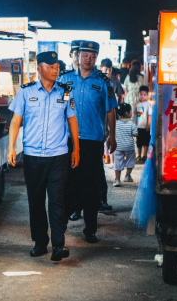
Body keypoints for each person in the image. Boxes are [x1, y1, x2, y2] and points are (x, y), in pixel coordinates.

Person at [8, 51, 80, 261]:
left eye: (57, 66)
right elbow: (15, 121)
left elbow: (72, 119)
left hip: (58, 155)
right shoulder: (25, 92)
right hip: (33, 157)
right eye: (51, 66)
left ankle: (58, 245)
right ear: (39, 69)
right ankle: (40, 242)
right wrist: (11, 147)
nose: (56, 70)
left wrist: (76, 148)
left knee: (57, 200)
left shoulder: (65, 91)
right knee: (36, 201)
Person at [59, 41, 118, 243]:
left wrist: (112, 135)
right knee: (67, 183)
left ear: (96, 58)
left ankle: (90, 229)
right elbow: (60, 107)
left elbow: (110, 109)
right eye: (85, 55)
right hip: (68, 140)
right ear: (79, 55)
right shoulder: (66, 80)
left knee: (91, 186)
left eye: (93, 56)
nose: (88, 59)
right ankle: (62, 224)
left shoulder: (103, 82)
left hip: (92, 141)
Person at [100, 58, 124, 166]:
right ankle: (105, 154)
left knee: (110, 132)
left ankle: (108, 154)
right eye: (105, 70)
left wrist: (118, 107)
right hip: (100, 112)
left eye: (109, 70)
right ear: (100, 69)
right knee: (102, 131)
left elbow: (121, 94)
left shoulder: (114, 80)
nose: (107, 72)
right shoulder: (97, 79)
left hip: (111, 110)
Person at [113, 102, 137, 187]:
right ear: (127, 113)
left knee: (117, 162)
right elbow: (135, 134)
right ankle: (127, 176)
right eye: (130, 111)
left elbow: (112, 132)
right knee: (131, 160)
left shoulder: (115, 123)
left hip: (118, 146)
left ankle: (117, 180)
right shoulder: (131, 124)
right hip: (129, 147)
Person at [135, 85, 152, 162]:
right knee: (139, 142)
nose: (142, 96)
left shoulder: (148, 104)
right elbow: (135, 116)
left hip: (145, 126)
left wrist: (148, 125)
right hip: (138, 126)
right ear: (139, 94)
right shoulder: (137, 104)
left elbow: (149, 115)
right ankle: (138, 155)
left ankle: (144, 155)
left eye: (144, 95)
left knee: (146, 142)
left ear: (147, 95)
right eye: (141, 94)